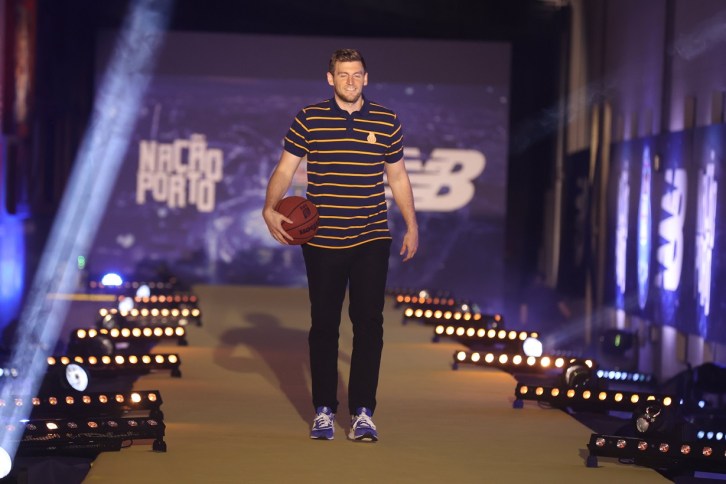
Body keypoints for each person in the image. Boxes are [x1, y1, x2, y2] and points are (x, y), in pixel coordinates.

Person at [262, 48, 418, 442]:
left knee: (369, 324)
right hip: (322, 239)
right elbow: (285, 168)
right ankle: (324, 411)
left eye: (357, 74)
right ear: (330, 78)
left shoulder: (386, 120)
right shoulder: (309, 118)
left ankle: (363, 411)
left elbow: (398, 177)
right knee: (324, 325)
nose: (351, 81)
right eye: (343, 74)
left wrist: (412, 224)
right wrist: (268, 207)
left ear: (366, 77)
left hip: (371, 235)